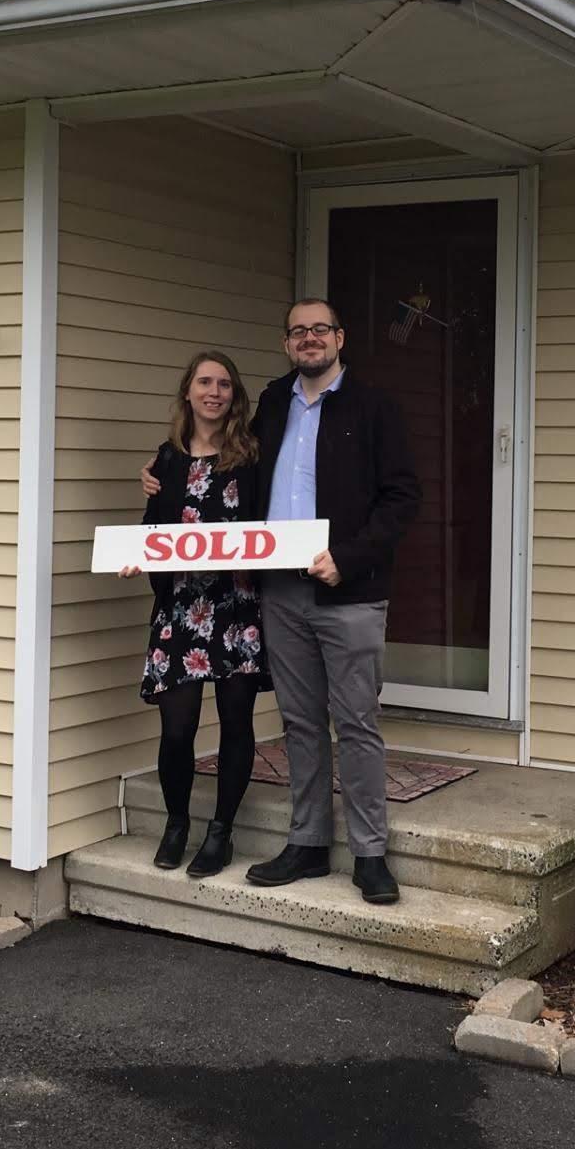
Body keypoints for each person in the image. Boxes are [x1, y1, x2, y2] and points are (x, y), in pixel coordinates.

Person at [142, 299, 419, 904]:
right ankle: (309, 842)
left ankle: (370, 854)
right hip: (279, 590)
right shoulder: (271, 404)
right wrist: (162, 475)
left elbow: (402, 499)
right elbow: (215, 462)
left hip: (348, 589)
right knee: (299, 722)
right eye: (298, 332)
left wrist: (348, 557)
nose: (310, 339)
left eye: (320, 329)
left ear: (340, 337)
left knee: (356, 722)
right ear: (287, 343)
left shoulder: (374, 407)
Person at [124, 350, 269, 879]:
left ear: (235, 395)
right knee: (177, 728)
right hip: (182, 610)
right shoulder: (165, 460)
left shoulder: (252, 455)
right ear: (188, 391)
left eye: (225, 384)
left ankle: (221, 831)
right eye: (205, 382)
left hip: (236, 609)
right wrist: (134, 555)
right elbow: (152, 528)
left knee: (236, 722)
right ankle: (177, 823)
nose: (215, 392)